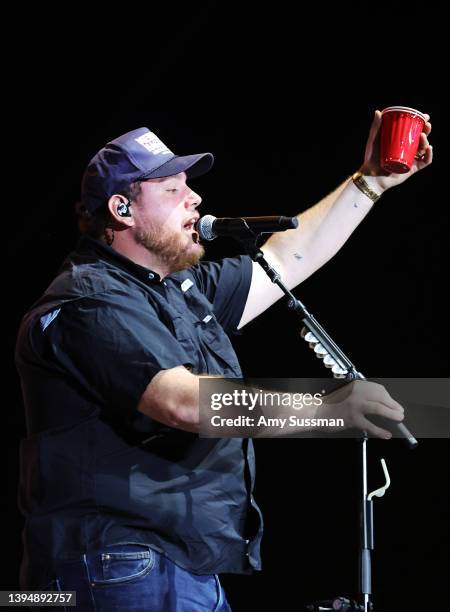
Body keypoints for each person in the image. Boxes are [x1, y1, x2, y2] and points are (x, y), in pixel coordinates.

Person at [15, 112, 432, 611]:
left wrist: (372, 182)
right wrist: (330, 408)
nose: (194, 199)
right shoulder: (92, 298)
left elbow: (288, 258)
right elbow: (184, 404)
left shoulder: (176, 293)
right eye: (172, 190)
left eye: (189, 187)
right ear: (121, 208)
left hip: (167, 567)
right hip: (118, 568)